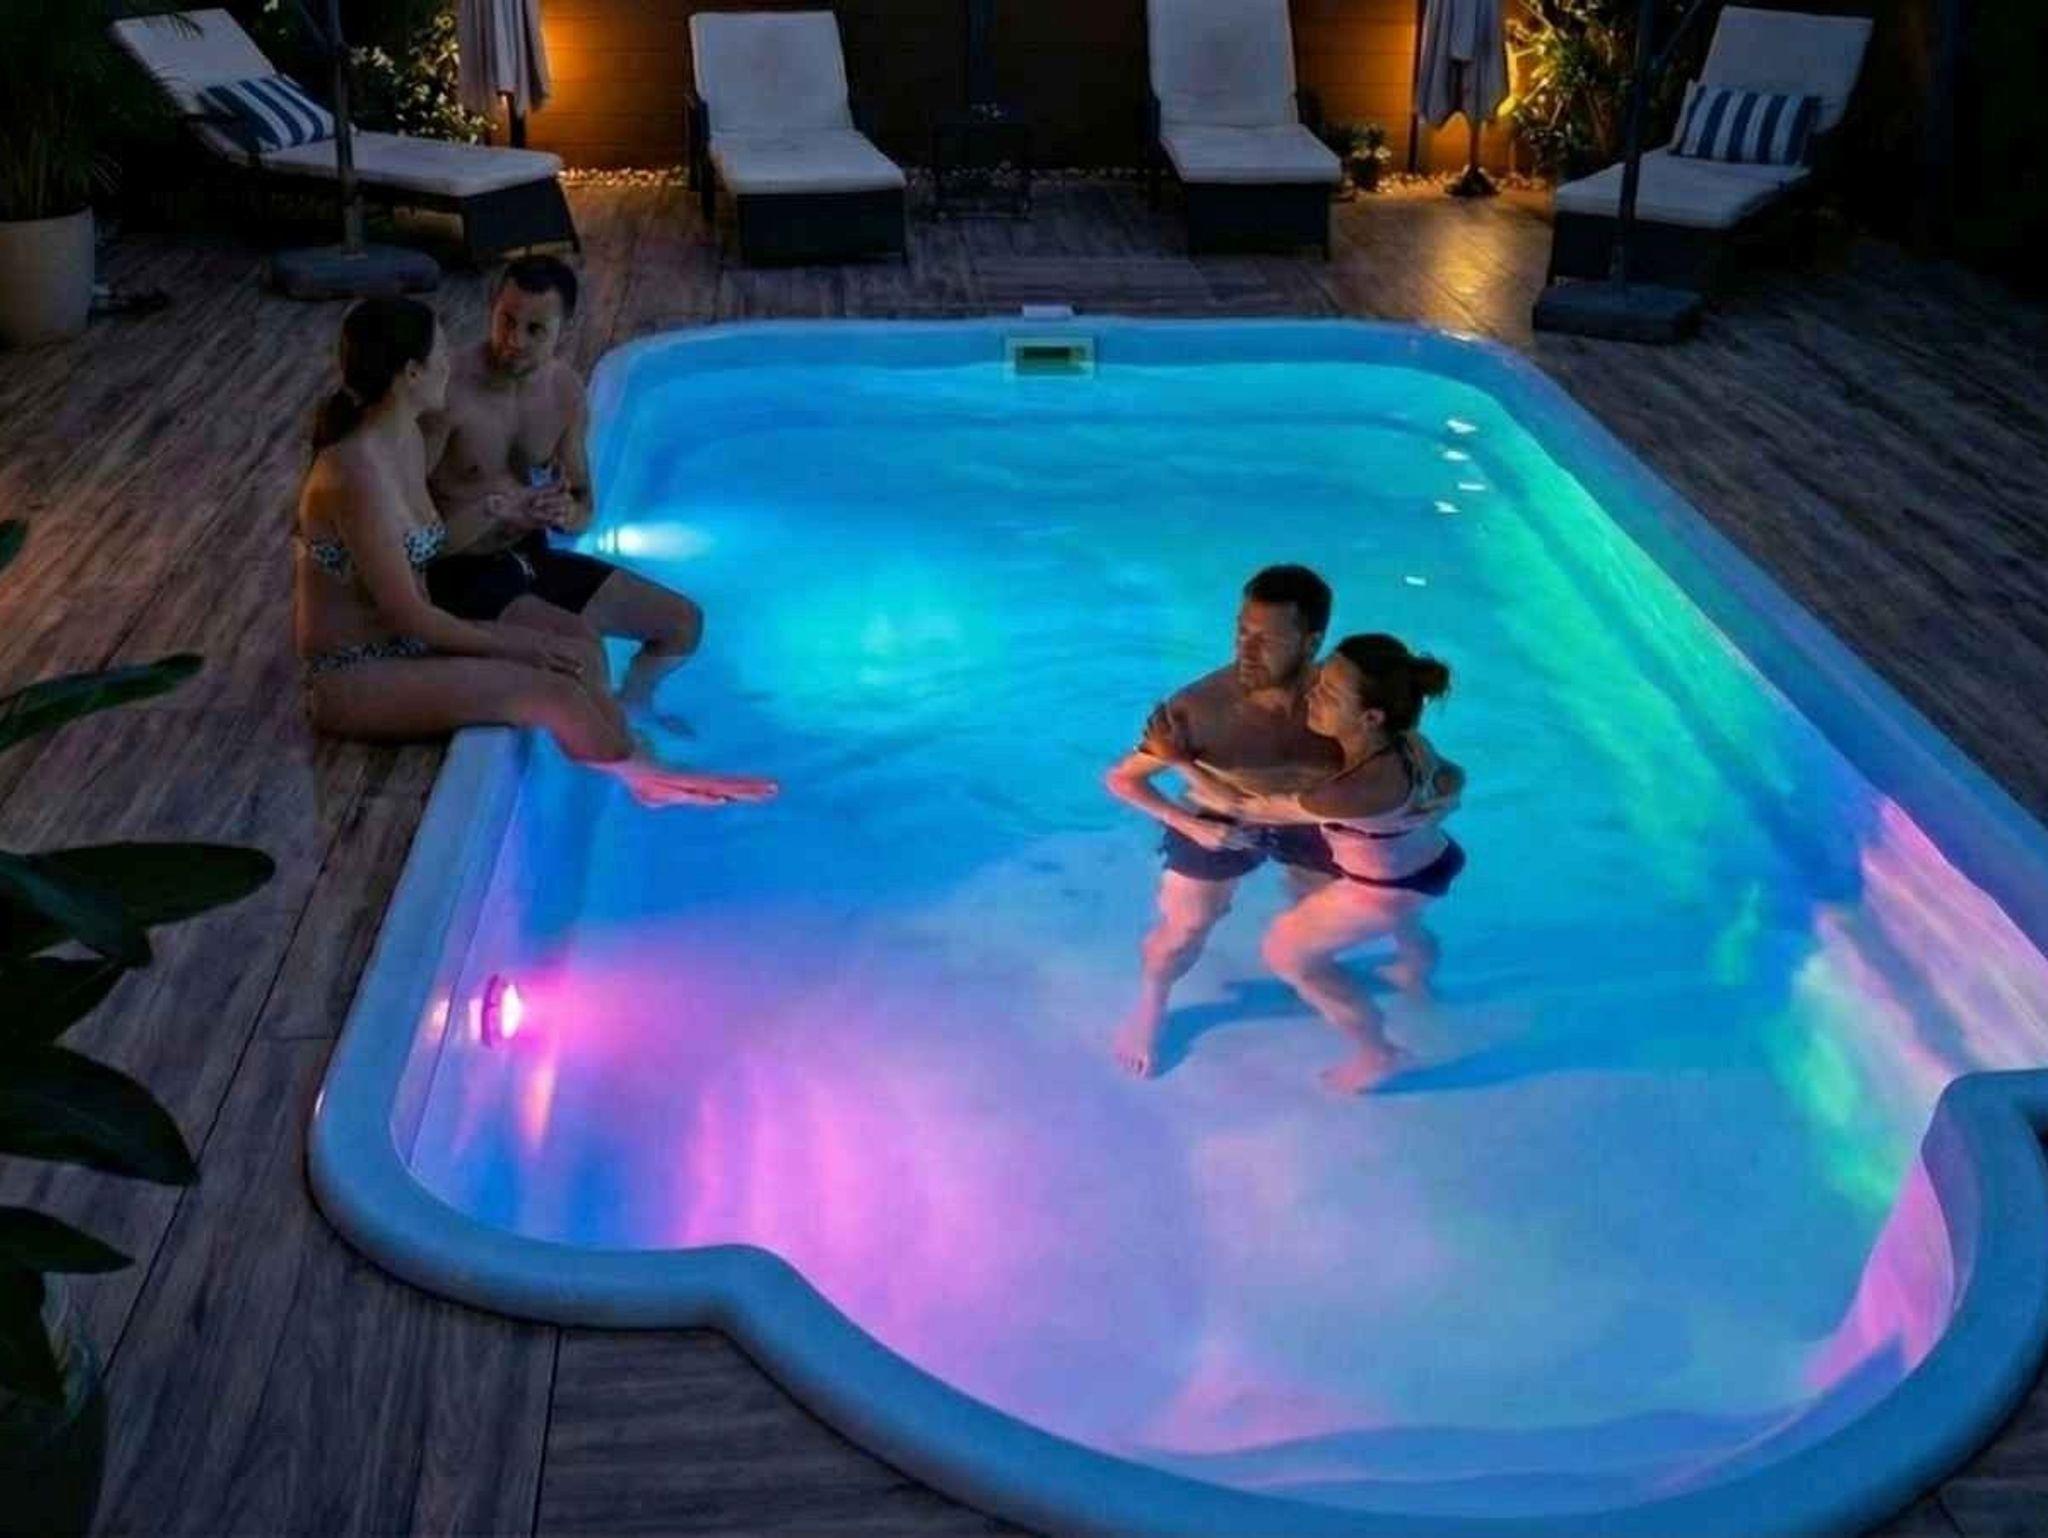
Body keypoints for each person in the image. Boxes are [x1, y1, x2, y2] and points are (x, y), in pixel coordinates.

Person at [294, 296, 776, 810]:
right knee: (556, 694)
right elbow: (408, 615)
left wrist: (508, 510)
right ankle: (647, 781)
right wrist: (518, 646)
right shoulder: (355, 474)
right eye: (441, 353)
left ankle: (632, 764)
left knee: (575, 655)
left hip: (413, 645)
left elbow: (427, 560)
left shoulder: (404, 441)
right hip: (356, 673)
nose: (450, 364)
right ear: (411, 373)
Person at [424, 254, 704, 712]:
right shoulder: (447, 393)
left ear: (564, 331)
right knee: (583, 648)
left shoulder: (565, 393)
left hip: (528, 559)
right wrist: (491, 511)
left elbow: (582, 503)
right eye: (506, 320)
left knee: (682, 624)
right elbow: (405, 531)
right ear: (492, 309)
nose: (514, 340)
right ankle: (615, 738)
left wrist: (566, 512)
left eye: (535, 330)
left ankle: (635, 710)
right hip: (458, 574)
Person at [1105, 565, 1345, 1078]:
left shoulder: (1345, 704)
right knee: (1185, 927)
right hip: (1217, 816)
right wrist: (1188, 824)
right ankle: (1152, 1001)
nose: (1247, 651)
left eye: (1267, 639)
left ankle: (1304, 970)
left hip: (1311, 816)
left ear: (1311, 642)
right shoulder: (1201, 708)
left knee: (1316, 914)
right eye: (1242, 632)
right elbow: (1122, 780)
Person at [1215, 634, 1465, 1093]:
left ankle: (1381, 1054)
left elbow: (1254, 808)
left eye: (1329, 693)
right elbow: (1452, 775)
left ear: (1371, 718)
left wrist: (1191, 769)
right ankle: (1414, 975)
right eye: (1320, 680)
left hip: (1383, 889)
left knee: (1286, 954)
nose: (1312, 694)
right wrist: (1447, 800)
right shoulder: (1411, 741)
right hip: (1433, 859)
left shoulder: (1351, 790)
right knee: (1408, 920)